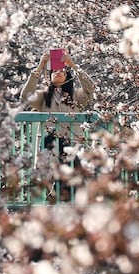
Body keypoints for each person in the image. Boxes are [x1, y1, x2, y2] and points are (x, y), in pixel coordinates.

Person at [20, 50, 95, 202]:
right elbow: (25, 96)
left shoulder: (76, 96)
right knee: (48, 182)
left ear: (68, 76)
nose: (58, 73)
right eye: (55, 71)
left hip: (72, 147)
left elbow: (90, 89)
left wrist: (74, 66)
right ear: (49, 76)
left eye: (62, 71)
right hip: (49, 149)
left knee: (72, 183)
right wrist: (40, 67)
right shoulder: (43, 97)